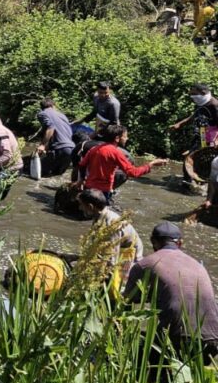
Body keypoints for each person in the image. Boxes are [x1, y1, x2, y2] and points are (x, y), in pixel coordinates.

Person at [123, 222, 218, 362]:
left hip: (178, 340)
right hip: (213, 340)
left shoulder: (145, 264)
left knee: (134, 352)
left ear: (153, 242)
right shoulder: (198, 265)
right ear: (180, 243)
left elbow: (128, 302)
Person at [76, 124, 167, 202]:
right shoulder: (116, 152)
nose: (127, 138)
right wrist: (152, 164)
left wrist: (81, 180)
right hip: (102, 192)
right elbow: (133, 172)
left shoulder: (94, 149)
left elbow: (82, 165)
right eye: (125, 136)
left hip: (88, 188)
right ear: (117, 138)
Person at [76, 189, 142, 288]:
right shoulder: (100, 216)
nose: (80, 208)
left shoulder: (111, 226)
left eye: (81, 205)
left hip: (129, 256)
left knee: (115, 288)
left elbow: (112, 260)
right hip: (120, 250)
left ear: (90, 206)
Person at [34, 98, 76, 177]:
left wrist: (43, 145)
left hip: (60, 149)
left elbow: (51, 127)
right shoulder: (62, 115)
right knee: (56, 176)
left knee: (38, 173)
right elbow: (67, 132)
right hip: (72, 149)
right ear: (53, 106)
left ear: (42, 107)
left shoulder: (42, 114)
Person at [171, 83, 218, 150]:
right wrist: (180, 123)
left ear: (203, 93)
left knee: (210, 152)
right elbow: (196, 114)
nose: (192, 96)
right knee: (201, 151)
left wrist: (216, 140)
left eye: (194, 94)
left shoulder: (214, 105)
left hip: (214, 136)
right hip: (204, 132)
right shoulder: (201, 103)